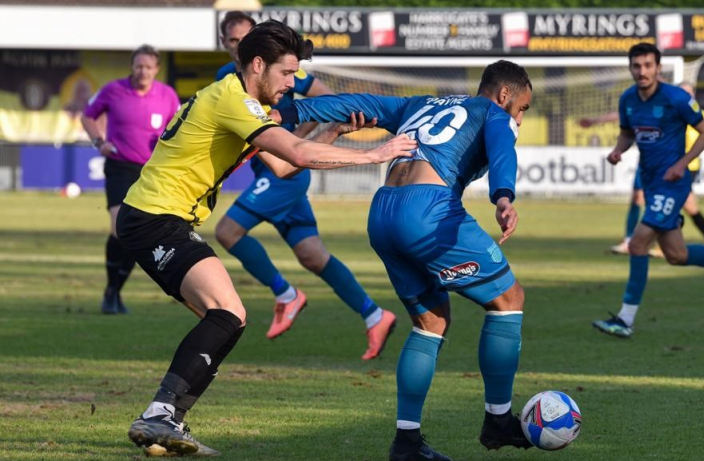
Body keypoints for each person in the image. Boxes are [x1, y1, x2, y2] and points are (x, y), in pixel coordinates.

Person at [119, 20, 416, 456]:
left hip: (159, 219)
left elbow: (282, 167)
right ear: (257, 64)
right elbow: (296, 153)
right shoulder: (232, 99)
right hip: (155, 218)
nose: (292, 83)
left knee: (227, 321)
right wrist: (375, 153)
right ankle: (160, 415)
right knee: (226, 313)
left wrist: (332, 132)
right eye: (287, 73)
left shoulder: (240, 101)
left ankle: (166, 421)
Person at [275, 60, 533, 461]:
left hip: (382, 214)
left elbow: (354, 102)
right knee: (509, 300)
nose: (519, 118)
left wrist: (290, 111)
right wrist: (504, 197)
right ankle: (498, 420)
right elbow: (503, 152)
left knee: (430, 322)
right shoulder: (493, 112)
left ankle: (407, 442)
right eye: (522, 109)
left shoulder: (420, 104)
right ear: (504, 95)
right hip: (427, 212)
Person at [213, 11, 396, 359]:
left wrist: (298, 137)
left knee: (227, 232)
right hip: (272, 172)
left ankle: (285, 294)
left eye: (246, 38)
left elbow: (328, 103)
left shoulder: (281, 72)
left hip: (282, 175)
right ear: (225, 44)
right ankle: (375, 315)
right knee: (313, 255)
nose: (240, 47)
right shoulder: (226, 78)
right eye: (233, 41)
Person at [591, 43, 704, 339]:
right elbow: (628, 132)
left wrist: (683, 163)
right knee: (676, 255)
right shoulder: (628, 99)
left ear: (658, 68)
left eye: (647, 65)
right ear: (630, 68)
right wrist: (618, 150)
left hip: (675, 182)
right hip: (652, 181)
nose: (642, 71)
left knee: (638, 244)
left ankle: (625, 319)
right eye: (637, 66)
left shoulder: (676, 98)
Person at [80, 45, 180, 315]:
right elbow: (87, 115)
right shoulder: (114, 90)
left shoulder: (168, 95)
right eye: (139, 66)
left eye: (148, 67)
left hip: (151, 171)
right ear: (132, 66)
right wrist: (98, 142)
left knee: (136, 235)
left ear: (156, 69)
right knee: (117, 227)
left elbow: (179, 129)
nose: (143, 71)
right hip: (120, 166)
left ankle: (113, 291)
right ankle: (112, 292)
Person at [596, 83, 704, 257]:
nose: (685, 96)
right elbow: (630, 128)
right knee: (676, 254)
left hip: (685, 168)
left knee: (642, 241)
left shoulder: (697, 114)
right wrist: (618, 148)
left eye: (688, 93)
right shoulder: (661, 107)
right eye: (682, 92)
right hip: (654, 169)